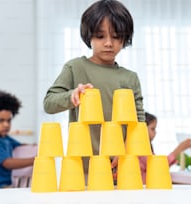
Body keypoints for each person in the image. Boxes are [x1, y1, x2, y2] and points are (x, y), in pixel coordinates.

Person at [43, 0, 145, 174]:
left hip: (119, 166)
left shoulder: (130, 78)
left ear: (125, 38)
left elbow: (139, 121)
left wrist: (126, 151)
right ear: (88, 36)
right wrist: (72, 96)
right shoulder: (75, 68)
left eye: (116, 36)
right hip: (82, 168)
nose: (108, 43)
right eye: (100, 36)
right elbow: (49, 104)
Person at [138, 112, 191, 184]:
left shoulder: (147, 147)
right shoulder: (141, 149)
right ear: (142, 129)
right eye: (153, 129)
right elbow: (158, 167)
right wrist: (179, 149)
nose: (155, 132)